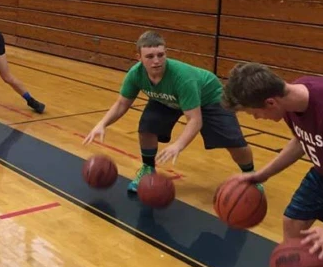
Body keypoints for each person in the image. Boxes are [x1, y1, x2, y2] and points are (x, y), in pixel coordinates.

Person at [223, 63, 323, 267]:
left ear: (270, 102)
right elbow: (302, 140)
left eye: (253, 113)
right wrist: (262, 175)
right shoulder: (293, 96)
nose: (257, 118)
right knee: (293, 221)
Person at [83, 31, 255, 192]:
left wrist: (178, 145)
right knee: (147, 127)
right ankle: (148, 169)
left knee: (235, 143)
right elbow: (122, 103)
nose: (156, 61)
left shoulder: (183, 78)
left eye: (160, 55)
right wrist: (102, 123)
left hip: (209, 98)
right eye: (150, 57)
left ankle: (251, 176)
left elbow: (195, 120)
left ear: (166, 53)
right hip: (167, 99)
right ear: (139, 58)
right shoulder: (135, 75)